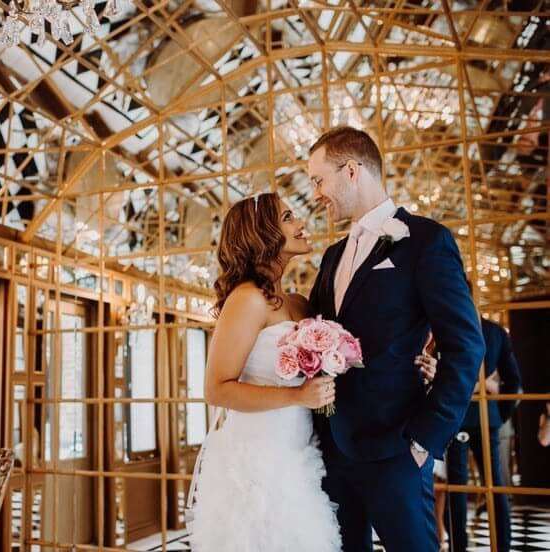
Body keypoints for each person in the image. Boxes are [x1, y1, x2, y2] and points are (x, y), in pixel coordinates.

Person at [186, 192, 438, 551]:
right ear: (262, 232)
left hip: (305, 457)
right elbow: (217, 389)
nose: (301, 223)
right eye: (288, 217)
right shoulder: (246, 300)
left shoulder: (300, 302)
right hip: (261, 461)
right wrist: (297, 395)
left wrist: (412, 364)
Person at [307, 126, 485, 552]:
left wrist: (425, 438)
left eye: (318, 179)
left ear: (351, 171)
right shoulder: (332, 256)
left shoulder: (426, 241)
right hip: (333, 451)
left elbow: (465, 344)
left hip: (397, 451)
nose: (314, 194)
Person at [446, 317, 521, 552]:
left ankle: (458, 546)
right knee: (494, 485)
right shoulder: (495, 332)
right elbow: (514, 382)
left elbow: (446, 375)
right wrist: (499, 414)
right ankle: (502, 545)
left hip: (456, 414)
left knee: (457, 487)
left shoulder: (449, 324)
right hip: (486, 417)